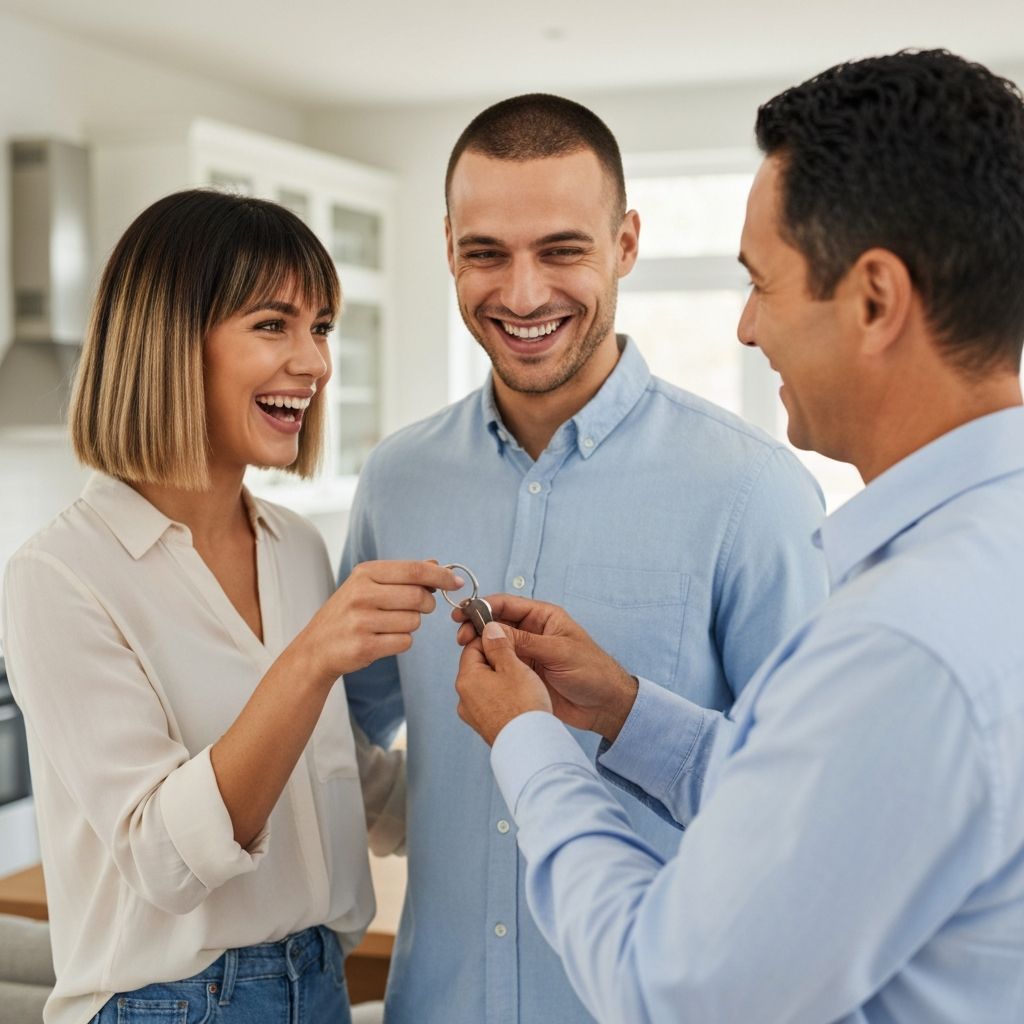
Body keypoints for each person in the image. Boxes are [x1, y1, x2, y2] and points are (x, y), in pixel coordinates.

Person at [454, 50, 1024, 1024]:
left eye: (762, 282)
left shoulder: (900, 638)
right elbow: (825, 820)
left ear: (875, 299)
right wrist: (628, 711)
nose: (747, 329)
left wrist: (528, 742)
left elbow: (670, 990)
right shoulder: (982, 557)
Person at [338, 94, 828, 1023]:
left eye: (561, 250)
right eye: (486, 252)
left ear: (627, 243)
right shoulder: (396, 481)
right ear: (447, 248)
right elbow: (337, 737)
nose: (523, 295)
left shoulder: (752, 492)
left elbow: (804, 819)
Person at [1, 189, 460, 1024]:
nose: (317, 362)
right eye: (273, 325)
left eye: (320, 328)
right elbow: (165, 860)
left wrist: (525, 771)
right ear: (174, 342)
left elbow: (337, 772)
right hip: (164, 1007)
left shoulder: (294, 547)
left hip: (317, 983)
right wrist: (312, 658)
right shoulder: (60, 575)